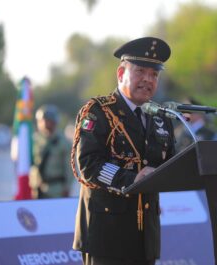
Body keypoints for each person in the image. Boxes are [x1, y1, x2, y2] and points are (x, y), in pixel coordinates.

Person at [71, 37, 175, 265]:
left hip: (145, 234)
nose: (148, 79)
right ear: (121, 74)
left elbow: (171, 163)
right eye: (140, 71)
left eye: (154, 74)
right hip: (106, 233)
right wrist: (132, 179)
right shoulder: (98, 111)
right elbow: (89, 165)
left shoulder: (161, 117)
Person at [30, 104, 73, 199]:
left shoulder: (63, 142)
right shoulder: (34, 141)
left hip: (57, 189)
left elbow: (69, 168)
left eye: (48, 120)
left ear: (54, 122)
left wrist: (67, 187)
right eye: (42, 121)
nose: (45, 123)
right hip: (37, 189)